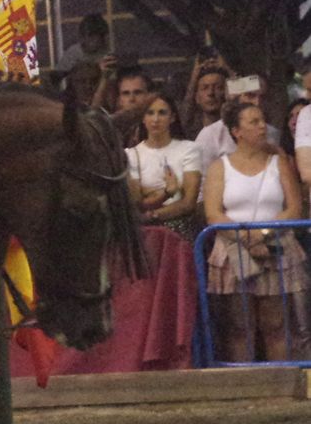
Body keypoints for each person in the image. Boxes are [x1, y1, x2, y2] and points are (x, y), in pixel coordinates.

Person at [203, 97, 305, 362]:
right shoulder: (219, 167)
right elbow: (213, 212)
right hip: (232, 247)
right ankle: (244, 384)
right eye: (254, 122)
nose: (262, 127)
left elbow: (294, 207)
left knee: (276, 323)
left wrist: (264, 234)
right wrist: (245, 237)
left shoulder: (278, 163)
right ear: (236, 131)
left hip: (276, 242)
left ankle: (279, 384)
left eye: (263, 121)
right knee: (239, 326)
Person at [126, 93, 202, 240]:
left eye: (162, 113)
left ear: (172, 118)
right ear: (143, 118)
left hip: (180, 231)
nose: (155, 119)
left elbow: (188, 203)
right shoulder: (131, 154)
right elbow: (136, 203)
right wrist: (167, 192)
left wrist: (152, 212)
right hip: (146, 234)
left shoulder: (189, 149)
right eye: (150, 113)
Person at [182, 59, 231, 139]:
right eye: (204, 88)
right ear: (197, 97)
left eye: (218, 87)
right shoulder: (188, 132)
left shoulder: (236, 131)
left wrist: (230, 73)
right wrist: (194, 77)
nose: (211, 93)